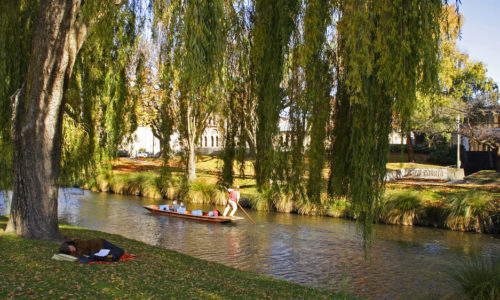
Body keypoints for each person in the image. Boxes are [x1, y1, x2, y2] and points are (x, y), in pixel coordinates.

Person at [59, 238, 124, 262]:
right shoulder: (74, 252)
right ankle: (111, 257)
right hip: (98, 251)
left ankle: (112, 256)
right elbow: (77, 255)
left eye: (71, 248)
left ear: (69, 244)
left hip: (100, 243)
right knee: (95, 256)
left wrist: (76, 252)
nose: (72, 250)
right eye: (71, 251)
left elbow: (82, 249)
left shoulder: (77, 241)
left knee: (120, 250)